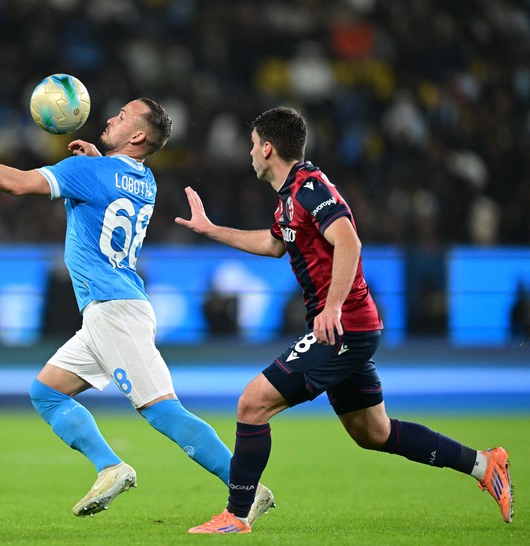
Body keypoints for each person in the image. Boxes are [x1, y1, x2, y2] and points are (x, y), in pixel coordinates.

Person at [0, 98, 275, 520]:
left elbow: (17, 184)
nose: (111, 117)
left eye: (123, 116)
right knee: (47, 393)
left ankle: (248, 489)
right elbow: (110, 189)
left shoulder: (90, 173)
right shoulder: (144, 179)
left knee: (163, 410)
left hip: (114, 311)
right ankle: (111, 466)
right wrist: (97, 159)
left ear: (138, 135)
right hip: (107, 310)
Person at [177, 106, 514, 533]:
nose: (248, 154)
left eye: (252, 145)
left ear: (267, 148)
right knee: (374, 432)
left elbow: (348, 241)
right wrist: (211, 230)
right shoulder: (288, 199)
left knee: (252, 403)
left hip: (343, 325)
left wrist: (333, 306)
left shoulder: (309, 188)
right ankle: (486, 466)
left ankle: (236, 514)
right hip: (348, 326)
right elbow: (273, 244)